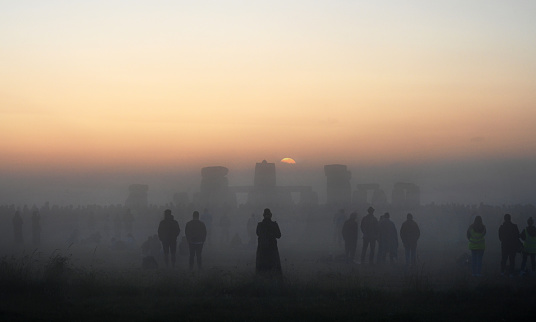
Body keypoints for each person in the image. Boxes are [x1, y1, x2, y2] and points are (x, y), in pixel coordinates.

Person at [256, 208, 282, 276]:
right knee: (274, 268)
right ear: (271, 215)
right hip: (272, 249)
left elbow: (257, 233)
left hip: (262, 249)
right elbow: (279, 235)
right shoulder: (274, 225)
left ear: (263, 215)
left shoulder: (260, 225)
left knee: (262, 270)